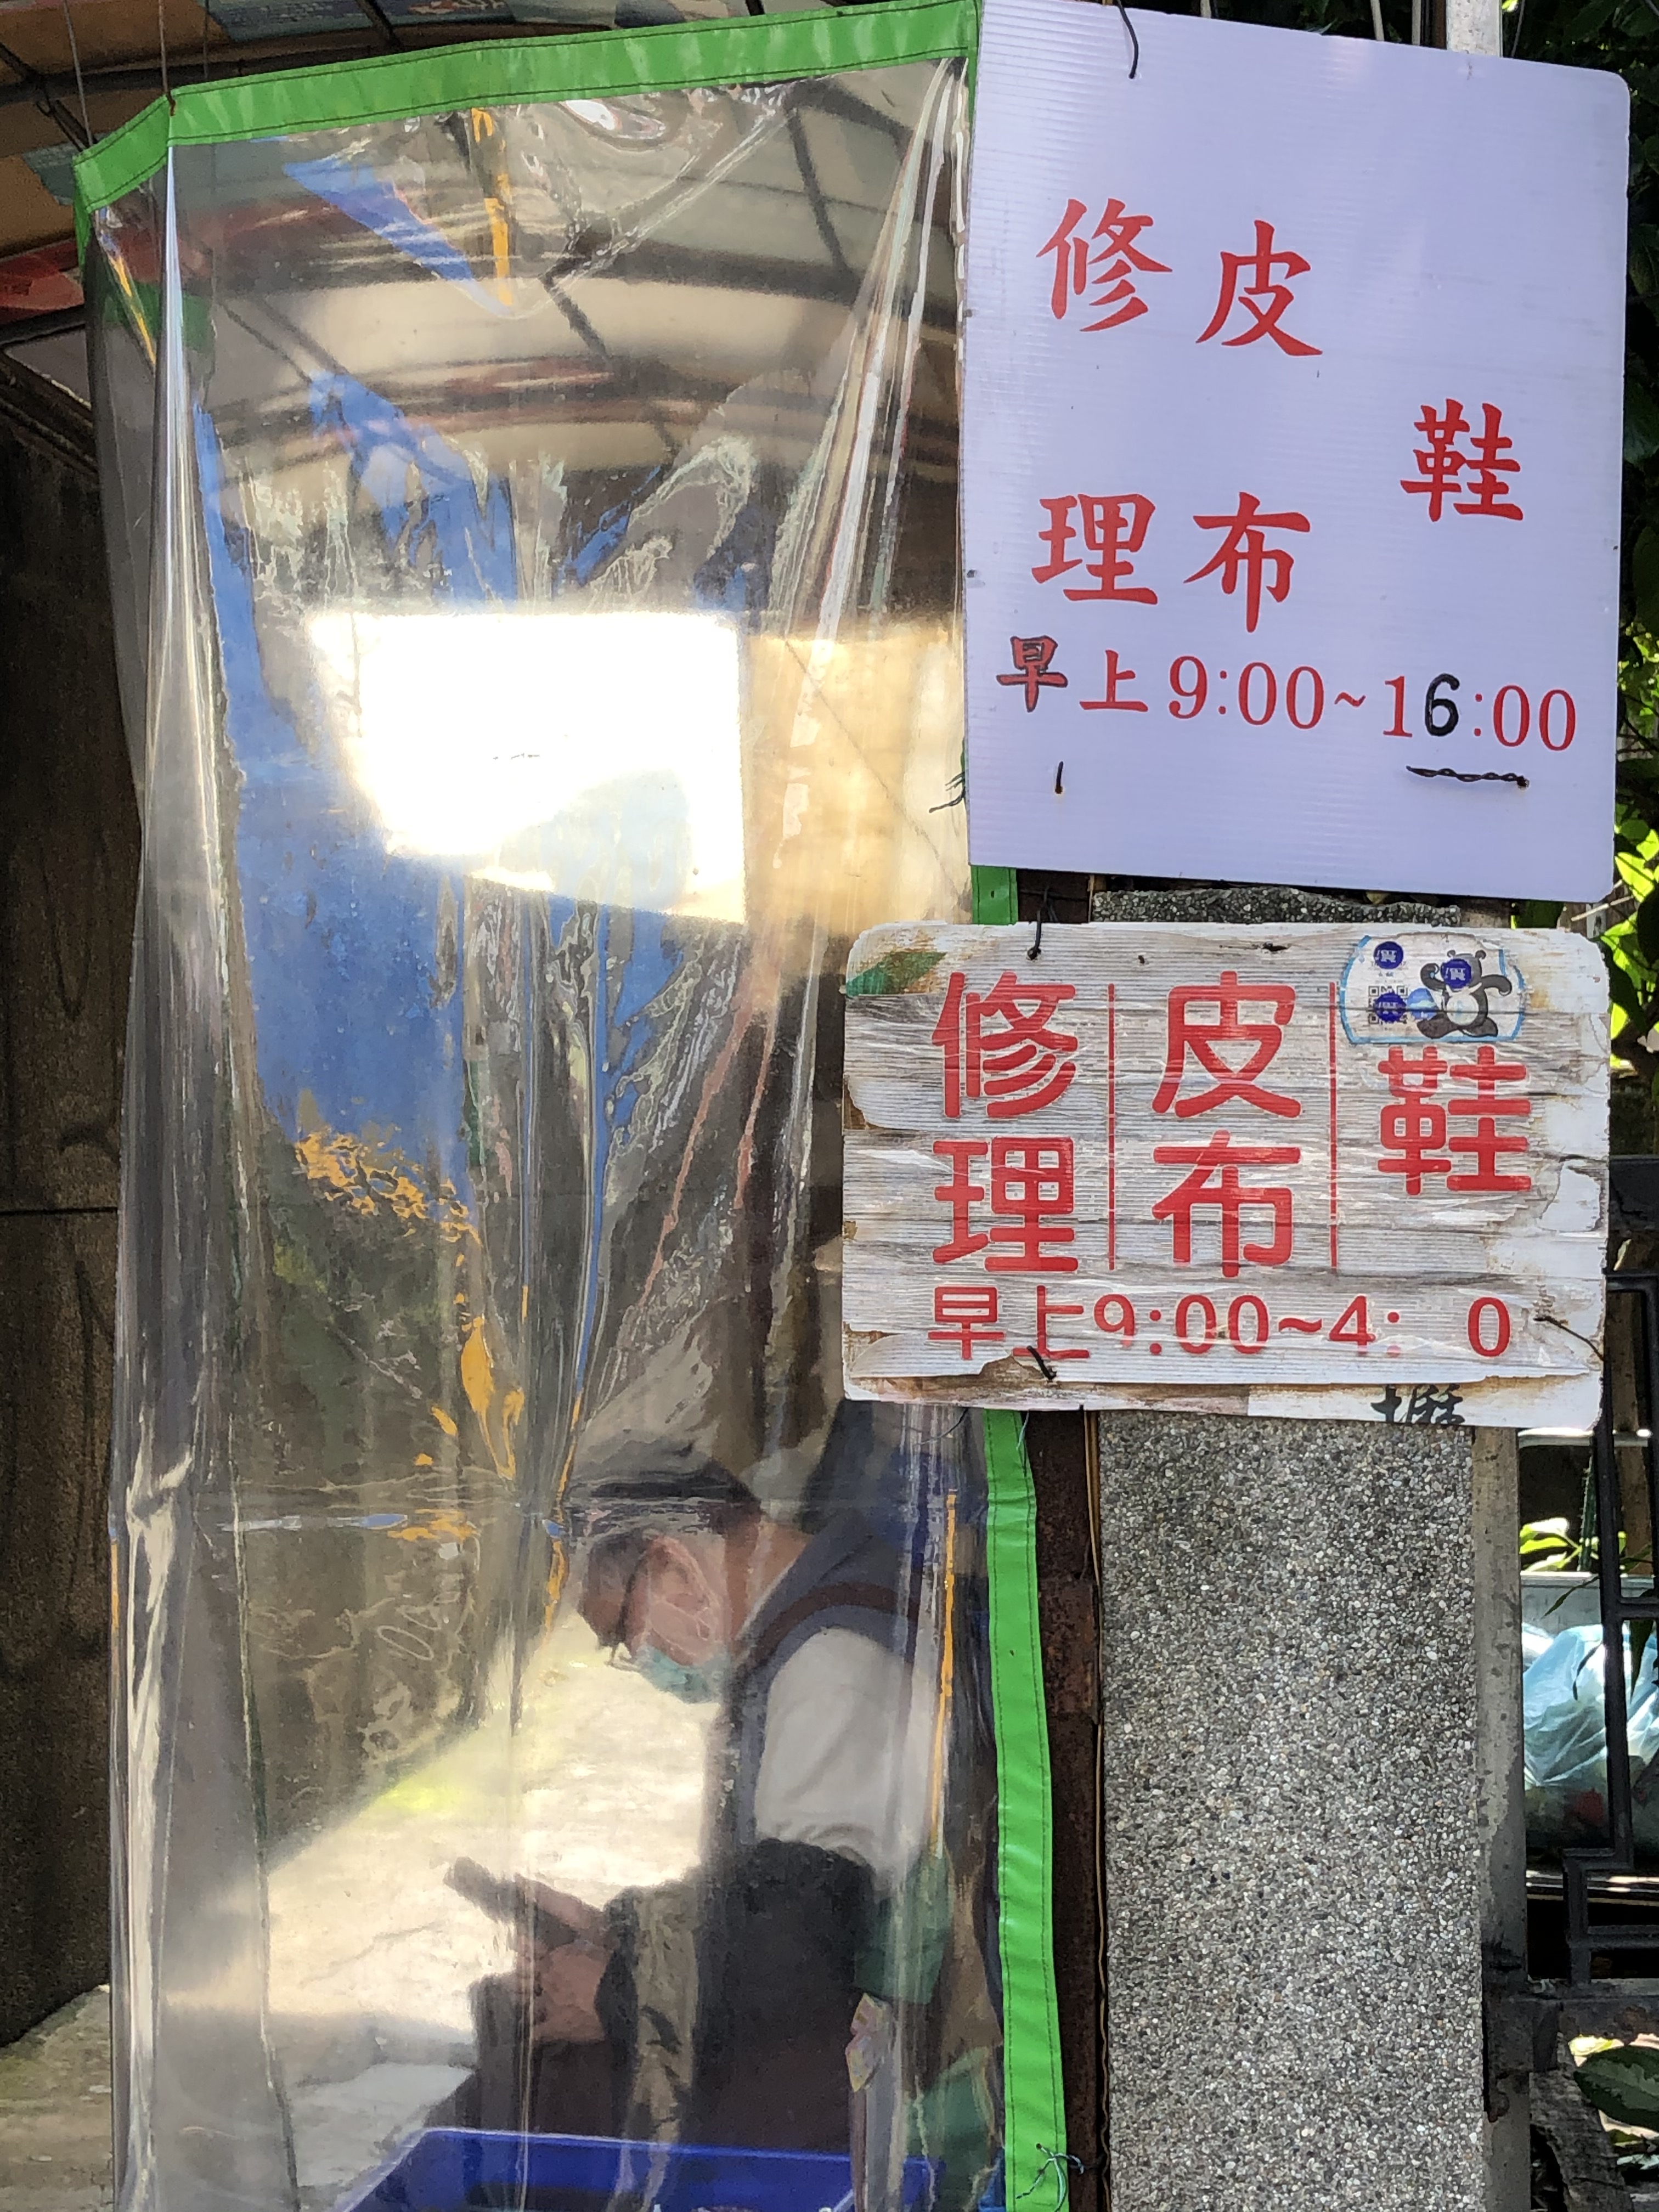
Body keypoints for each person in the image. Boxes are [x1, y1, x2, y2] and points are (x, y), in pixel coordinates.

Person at [445, 1446, 958, 2156]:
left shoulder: (833, 1667)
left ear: (675, 1569)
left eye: (624, 1634)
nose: (641, 1660)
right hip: (840, 2024)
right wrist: (623, 1933)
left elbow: (797, 1949)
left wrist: (617, 1993)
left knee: (526, 2104)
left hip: (872, 2069)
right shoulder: (811, 1634)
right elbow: (781, 1893)